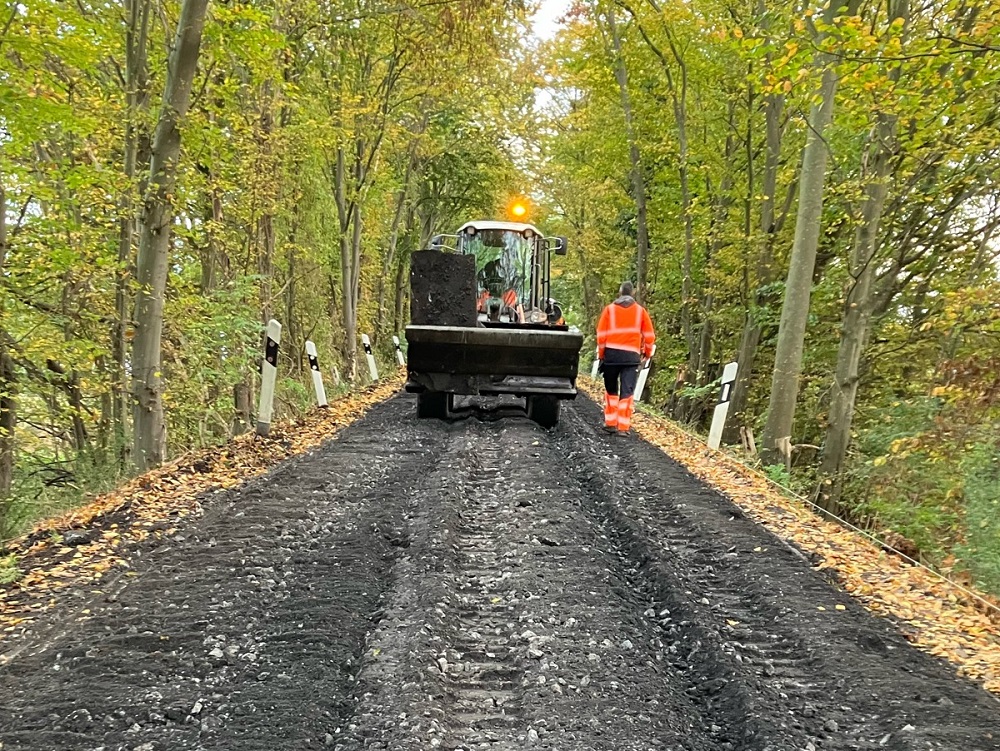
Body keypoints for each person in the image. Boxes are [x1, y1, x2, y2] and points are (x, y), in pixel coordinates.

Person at [596, 281, 655, 434]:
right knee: (627, 391)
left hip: (611, 356)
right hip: (631, 357)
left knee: (611, 390)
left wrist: (601, 354)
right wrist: (647, 353)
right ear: (633, 293)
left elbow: (601, 335)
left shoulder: (609, 310)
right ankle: (623, 427)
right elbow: (649, 336)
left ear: (620, 292)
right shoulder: (641, 312)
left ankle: (610, 423)